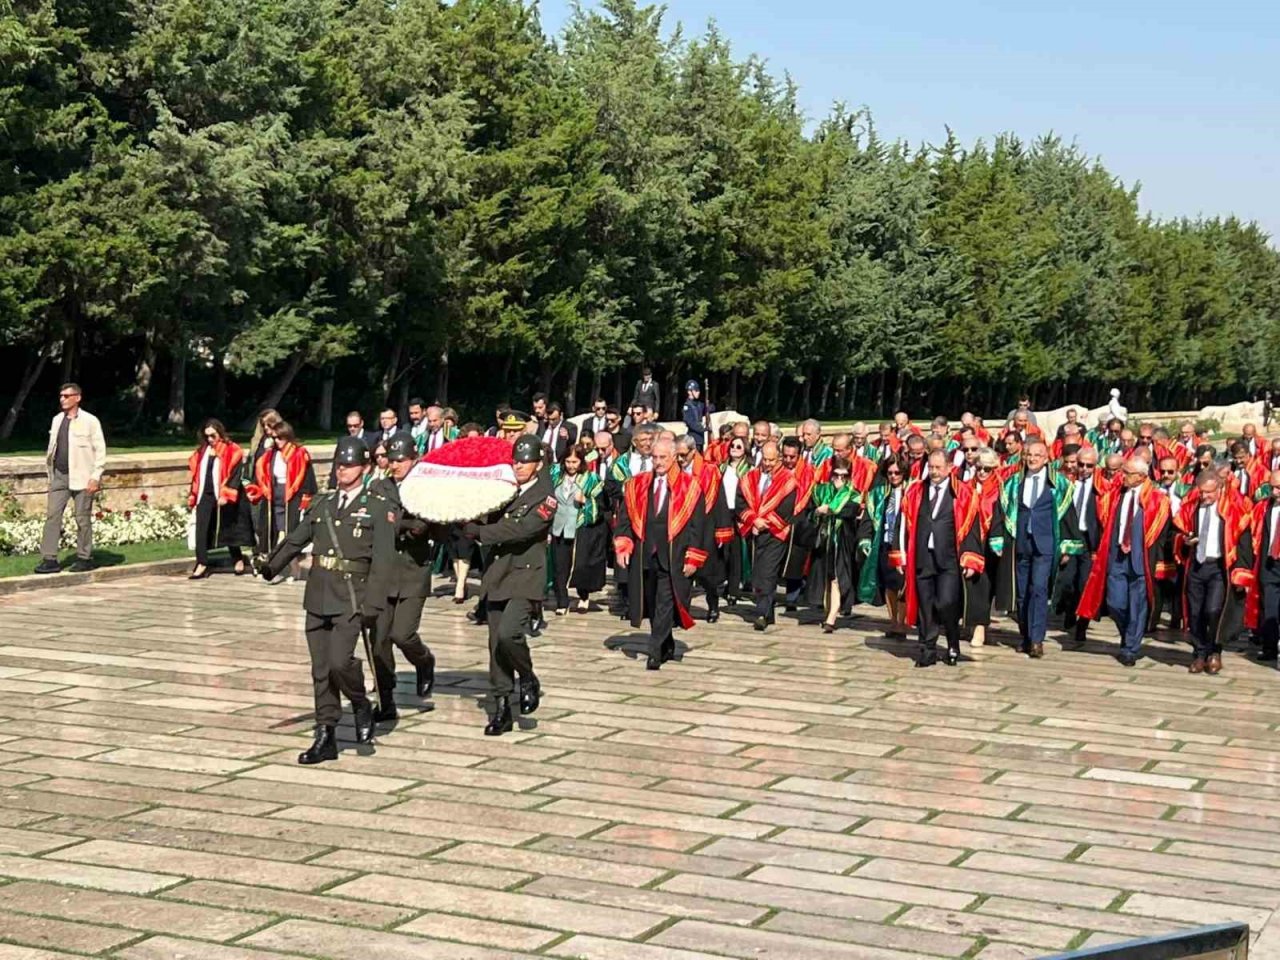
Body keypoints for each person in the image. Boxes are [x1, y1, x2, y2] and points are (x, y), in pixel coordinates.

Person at [257, 436, 391, 764]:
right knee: (320, 669)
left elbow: (384, 561)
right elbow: (296, 538)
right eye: (339, 464)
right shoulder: (323, 504)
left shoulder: (377, 507)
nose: (342, 470)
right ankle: (325, 734)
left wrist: (373, 604)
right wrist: (270, 566)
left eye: (349, 465)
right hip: (318, 593)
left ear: (365, 467)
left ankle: (359, 702)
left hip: (351, 596)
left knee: (339, 662)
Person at [461, 434, 552, 736]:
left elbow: (523, 528)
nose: (520, 466)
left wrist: (480, 533)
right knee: (495, 644)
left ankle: (527, 676)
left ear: (538, 464)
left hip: (526, 573)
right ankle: (501, 705)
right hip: (498, 573)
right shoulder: (503, 489)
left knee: (509, 633)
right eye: (516, 460)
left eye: (526, 461)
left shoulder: (545, 495)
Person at [613, 435, 707, 669]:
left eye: (663, 457)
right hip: (645, 553)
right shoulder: (638, 484)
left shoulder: (691, 486)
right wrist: (623, 544)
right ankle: (666, 644)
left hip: (674, 555)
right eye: (654, 457)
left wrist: (694, 556)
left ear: (675, 457)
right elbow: (624, 518)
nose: (658, 462)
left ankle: (654, 651)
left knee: (666, 601)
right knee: (652, 603)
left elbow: (698, 527)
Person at [367, 432, 438, 720]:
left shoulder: (425, 488)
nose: (395, 465)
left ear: (414, 459)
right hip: (383, 573)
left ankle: (424, 661)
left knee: (403, 633)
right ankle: (386, 701)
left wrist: (404, 524)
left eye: (401, 460)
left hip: (412, 572)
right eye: (391, 459)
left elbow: (429, 524)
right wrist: (403, 524)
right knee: (379, 641)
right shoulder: (379, 487)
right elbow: (376, 522)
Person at [1078, 458, 1171, 667]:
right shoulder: (1114, 496)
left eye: (1128, 473)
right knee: (1115, 603)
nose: (1123, 476)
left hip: (1140, 559)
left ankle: (1130, 648)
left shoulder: (1158, 500)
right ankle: (1128, 633)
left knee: (1138, 606)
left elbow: (1164, 535)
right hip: (1117, 556)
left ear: (1141, 477)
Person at [988, 440, 1070, 659]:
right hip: (1020, 542)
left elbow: (1067, 517)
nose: (1032, 459)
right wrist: (997, 540)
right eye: (1028, 455)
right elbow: (1001, 513)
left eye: (1037, 455)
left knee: (1039, 589)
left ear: (1046, 458)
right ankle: (1025, 637)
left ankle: (1037, 640)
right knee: (1022, 593)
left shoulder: (1059, 484)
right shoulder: (1013, 483)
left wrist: (1067, 548)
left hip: (1046, 544)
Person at [1175, 473, 1254, 675]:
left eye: (1209, 492)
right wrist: (1184, 541)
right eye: (1201, 492)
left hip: (1219, 567)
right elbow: (1177, 532)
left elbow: (1243, 542)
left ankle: (1215, 651)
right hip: (1196, 565)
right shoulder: (1191, 508)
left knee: (1213, 610)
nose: (1204, 496)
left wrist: (1242, 572)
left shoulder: (1232, 511)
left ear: (1219, 489)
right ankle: (1200, 653)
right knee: (1195, 612)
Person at [36, 382, 107, 574]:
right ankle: (49, 559)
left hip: (83, 476)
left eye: (66, 396)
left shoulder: (91, 421)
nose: (62, 399)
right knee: (52, 516)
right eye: (61, 396)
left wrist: (95, 476)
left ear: (77, 398)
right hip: (59, 476)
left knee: (82, 518)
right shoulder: (57, 419)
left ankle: (85, 557)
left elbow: (100, 450)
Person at [737, 441, 797, 631]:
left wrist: (765, 523)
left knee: (768, 573)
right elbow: (740, 502)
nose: (768, 463)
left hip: (775, 533)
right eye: (765, 459)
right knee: (757, 573)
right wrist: (753, 520)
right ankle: (768, 612)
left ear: (778, 458)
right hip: (754, 532)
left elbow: (786, 509)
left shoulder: (788, 480)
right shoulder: (750, 477)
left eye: (772, 460)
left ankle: (761, 613)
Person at [246, 420, 317, 575]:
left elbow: (307, 477)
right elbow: (262, 473)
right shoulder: (271, 455)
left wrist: (307, 497)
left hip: (293, 495)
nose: (277, 441)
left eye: (280, 438)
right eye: (274, 437)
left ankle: (294, 569)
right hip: (274, 494)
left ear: (287, 436)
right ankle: (269, 566)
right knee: (269, 530)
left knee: (290, 534)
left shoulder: (299, 453)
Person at [806, 458, 866, 633]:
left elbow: (850, 511)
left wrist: (830, 509)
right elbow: (809, 512)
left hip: (843, 540)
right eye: (836, 474)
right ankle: (828, 610)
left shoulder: (853, 494)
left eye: (844, 475)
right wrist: (818, 511)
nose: (839, 478)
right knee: (826, 576)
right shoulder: (820, 491)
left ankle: (832, 617)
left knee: (837, 577)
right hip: (824, 539)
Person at [186, 418, 250, 579]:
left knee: (228, 528)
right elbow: (196, 476)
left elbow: (235, 474)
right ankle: (202, 562)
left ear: (220, 433)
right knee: (201, 528)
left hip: (223, 492)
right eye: (207, 436)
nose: (210, 439)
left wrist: (227, 494)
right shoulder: (202, 452)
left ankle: (237, 559)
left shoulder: (231, 450)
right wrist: (193, 495)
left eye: (213, 436)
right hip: (205, 493)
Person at [677, 435, 730, 623]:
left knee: (707, 573)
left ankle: (713, 605)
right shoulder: (674, 470)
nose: (680, 460)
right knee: (682, 571)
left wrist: (722, 530)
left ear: (693, 451)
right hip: (681, 525)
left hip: (706, 526)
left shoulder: (710, 471)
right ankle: (681, 610)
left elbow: (720, 502)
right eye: (678, 455)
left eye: (684, 455)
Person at [549, 445, 607, 615]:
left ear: (581, 461)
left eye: (574, 461)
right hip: (558, 526)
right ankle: (562, 601)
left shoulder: (591, 479)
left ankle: (583, 596)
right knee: (559, 566)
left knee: (581, 565)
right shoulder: (555, 476)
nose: (571, 465)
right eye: (568, 461)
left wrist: (586, 501)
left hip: (580, 527)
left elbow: (602, 507)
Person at [858, 459, 909, 636]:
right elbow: (866, 520)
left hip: (904, 545)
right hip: (885, 543)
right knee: (889, 584)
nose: (894, 476)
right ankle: (893, 620)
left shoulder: (912, 492)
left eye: (898, 473)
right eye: (890, 473)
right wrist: (864, 539)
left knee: (903, 585)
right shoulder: (878, 494)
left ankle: (903, 622)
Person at [1058, 445, 1103, 646]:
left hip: (1090, 541)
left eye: (1089, 465)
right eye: (1081, 464)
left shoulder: (1102, 487)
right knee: (1067, 580)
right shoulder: (1068, 482)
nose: (1084, 469)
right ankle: (1069, 610)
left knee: (1085, 583)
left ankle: (1082, 625)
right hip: (1071, 536)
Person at [963, 448, 1002, 648]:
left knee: (988, 587)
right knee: (976, 585)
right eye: (979, 467)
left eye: (987, 469)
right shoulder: (965, 487)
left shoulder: (1002, 489)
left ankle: (981, 627)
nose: (982, 472)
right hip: (971, 542)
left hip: (994, 543)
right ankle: (977, 627)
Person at [1246, 472, 1280, 662]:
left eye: (1279, 488)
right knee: (1270, 608)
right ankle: (1269, 648)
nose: (1275, 492)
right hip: (1269, 565)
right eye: (1272, 487)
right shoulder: (1264, 508)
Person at [719, 435, 752, 601]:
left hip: (740, 514)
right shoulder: (722, 468)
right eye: (732, 445)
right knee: (723, 552)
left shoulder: (749, 470)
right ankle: (723, 583)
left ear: (745, 449)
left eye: (738, 446)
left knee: (736, 553)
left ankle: (734, 589)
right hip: (724, 512)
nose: (734, 449)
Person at [330, 412, 380, 488]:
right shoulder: (343, 441)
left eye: (355, 426)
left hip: (368, 480)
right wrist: (332, 486)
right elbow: (336, 462)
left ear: (361, 423)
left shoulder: (372, 439)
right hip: (348, 482)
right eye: (349, 426)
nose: (352, 429)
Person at [682, 380, 710, 451]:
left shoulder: (698, 404)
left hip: (700, 438)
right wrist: (703, 429)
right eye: (696, 390)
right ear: (689, 392)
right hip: (693, 437)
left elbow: (708, 409)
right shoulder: (687, 406)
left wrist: (708, 405)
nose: (698, 392)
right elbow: (691, 423)